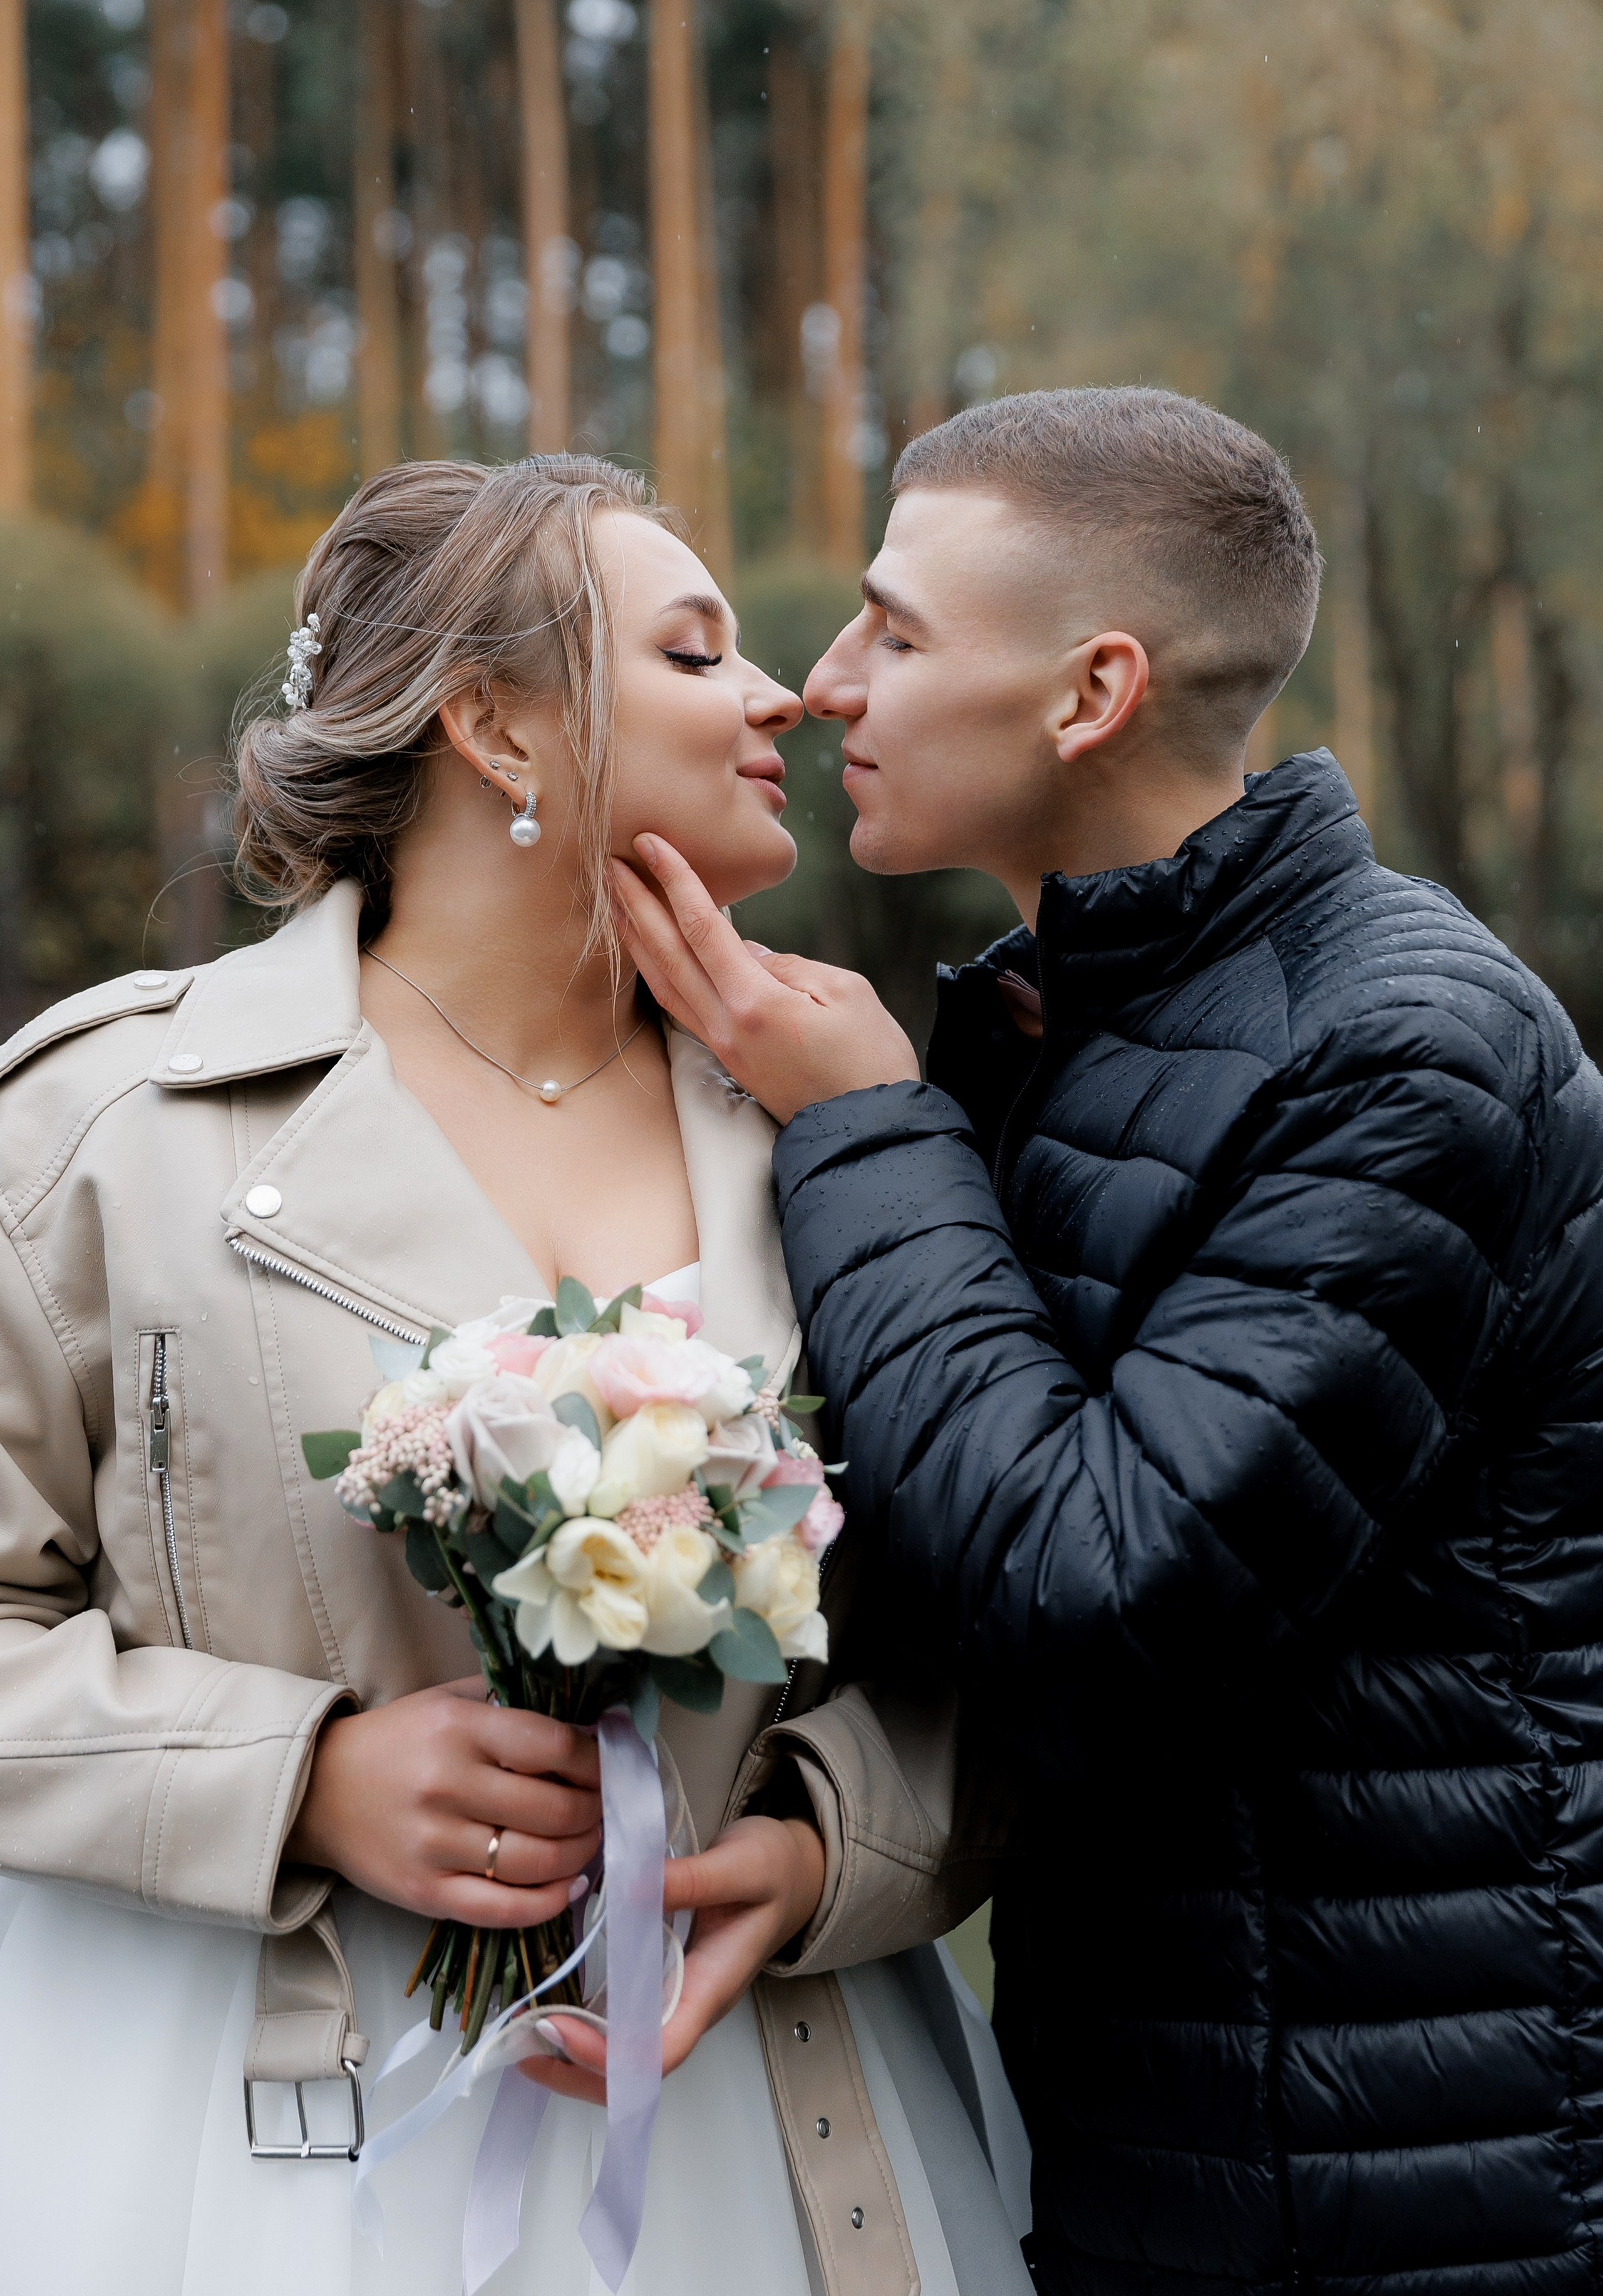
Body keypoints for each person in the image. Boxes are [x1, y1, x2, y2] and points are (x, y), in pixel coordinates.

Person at [0, 456, 1031, 2296]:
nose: (783, 692)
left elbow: (998, 1620)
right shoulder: (104, 1130)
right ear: (493, 725)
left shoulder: (853, 1131)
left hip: (768, 2117)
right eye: (698, 652)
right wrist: (301, 1776)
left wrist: (819, 1850)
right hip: (258, 2130)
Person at [613, 386, 1603, 2296]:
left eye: (895, 635)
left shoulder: (1412, 1051)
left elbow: (1091, 1584)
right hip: (1158, 2127)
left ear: (1092, 694)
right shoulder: (1056, 1025)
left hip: (1411, 2182)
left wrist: (860, 1127)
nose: (826, 688)